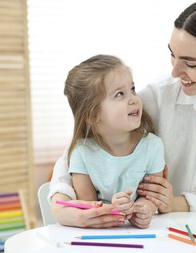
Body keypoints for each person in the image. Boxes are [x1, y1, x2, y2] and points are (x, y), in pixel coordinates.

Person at [48, 0, 196, 228]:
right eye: (172, 55)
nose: (174, 72)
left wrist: (177, 202)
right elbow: (83, 148)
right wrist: (61, 207)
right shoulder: (157, 97)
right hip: (159, 234)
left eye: (191, 64)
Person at [55, 54, 165, 229]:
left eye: (133, 89)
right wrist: (113, 208)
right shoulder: (81, 152)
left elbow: (150, 195)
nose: (133, 99)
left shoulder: (153, 146)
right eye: (120, 94)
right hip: (100, 235)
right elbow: (88, 205)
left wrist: (146, 209)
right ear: (92, 115)